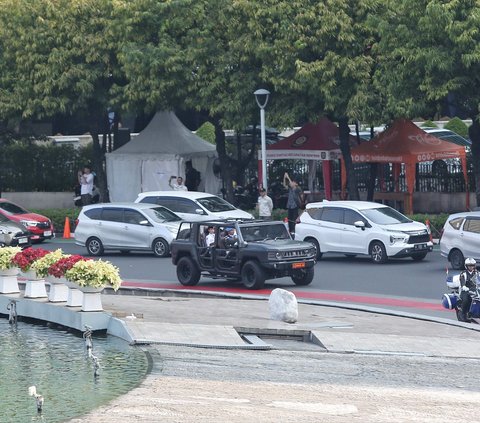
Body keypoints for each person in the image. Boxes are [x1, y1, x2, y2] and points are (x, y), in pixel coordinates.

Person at [459, 257, 479, 322]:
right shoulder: (463, 273)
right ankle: (462, 314)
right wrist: (464, 287)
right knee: (466, 300)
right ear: (466, 266)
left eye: (472, 265)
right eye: (470, 265)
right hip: (465, 291)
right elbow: (462, 282)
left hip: (474, 290)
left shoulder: (476, 273)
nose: (471, 267)